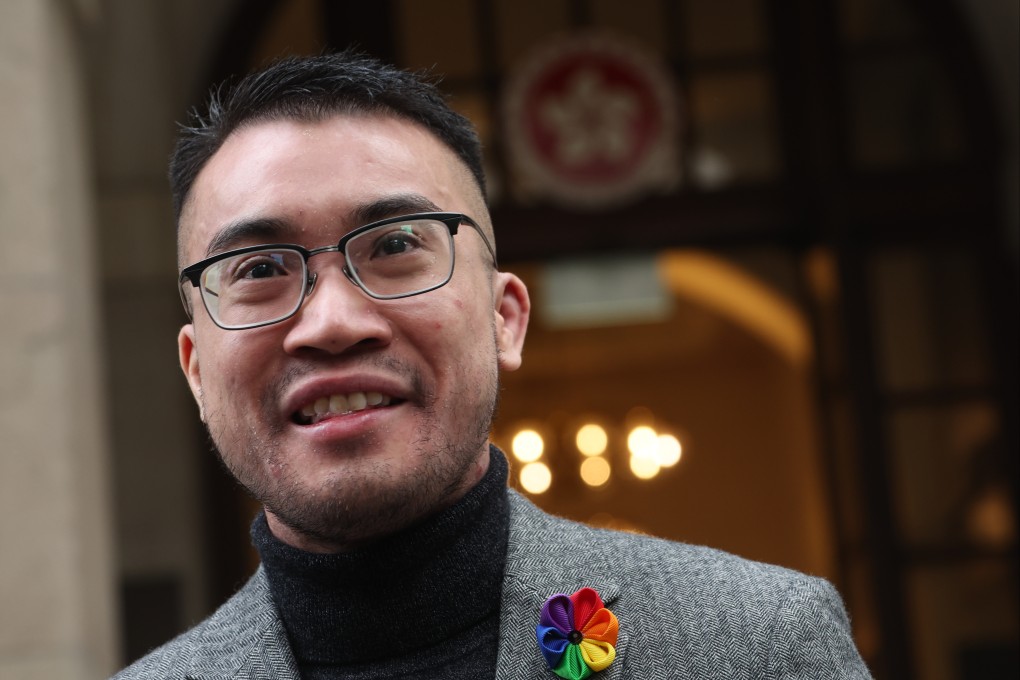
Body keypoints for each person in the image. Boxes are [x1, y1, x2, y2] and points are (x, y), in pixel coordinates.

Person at [114, 51, 872, 679]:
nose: (333, 323)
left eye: (396, 246)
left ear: (505, 318)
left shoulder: (760, 645)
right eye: (257, 268)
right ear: (196, 372)